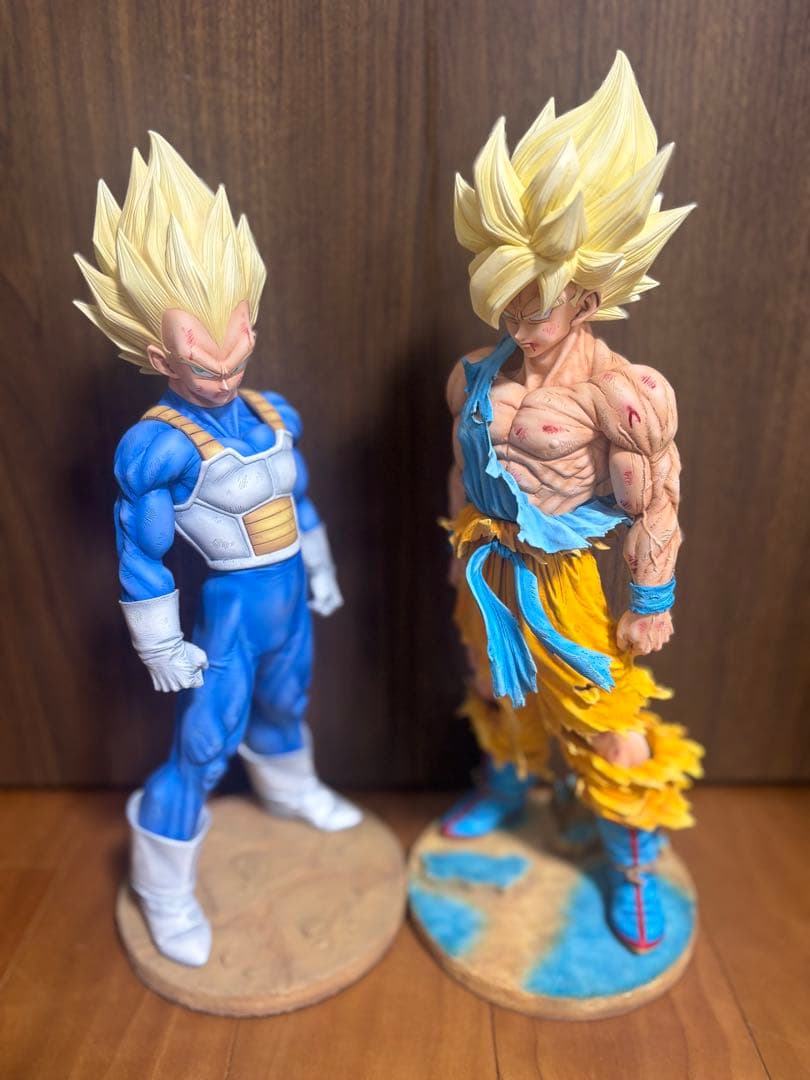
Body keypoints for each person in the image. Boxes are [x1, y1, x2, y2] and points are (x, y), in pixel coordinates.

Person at [75, 132, 360, 967]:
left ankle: (293, 791)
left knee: (288, 702)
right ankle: (163, 887)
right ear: (160, 357)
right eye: (206, 368)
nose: (227, 377)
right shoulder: (158, 446)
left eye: (238, 355)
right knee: (202, 745)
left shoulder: (275, 413)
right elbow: (140, 551)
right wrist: (160, 643)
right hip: (231, 609)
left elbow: (298, 499)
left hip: (288, 599)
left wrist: (321, 566)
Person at [443, 53, 703, 953]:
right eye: (506, 297)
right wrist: (458, 558)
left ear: (588, 294)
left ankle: (632, 866)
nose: (518, 318)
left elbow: (657, 502)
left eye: (538, 301)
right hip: (486, 561)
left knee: (608, 721)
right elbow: (461, 474)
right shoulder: (473, 376)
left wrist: (652, 601)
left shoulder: (623, 395)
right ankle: (508, 785)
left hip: (564, 581)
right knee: (490, 682)